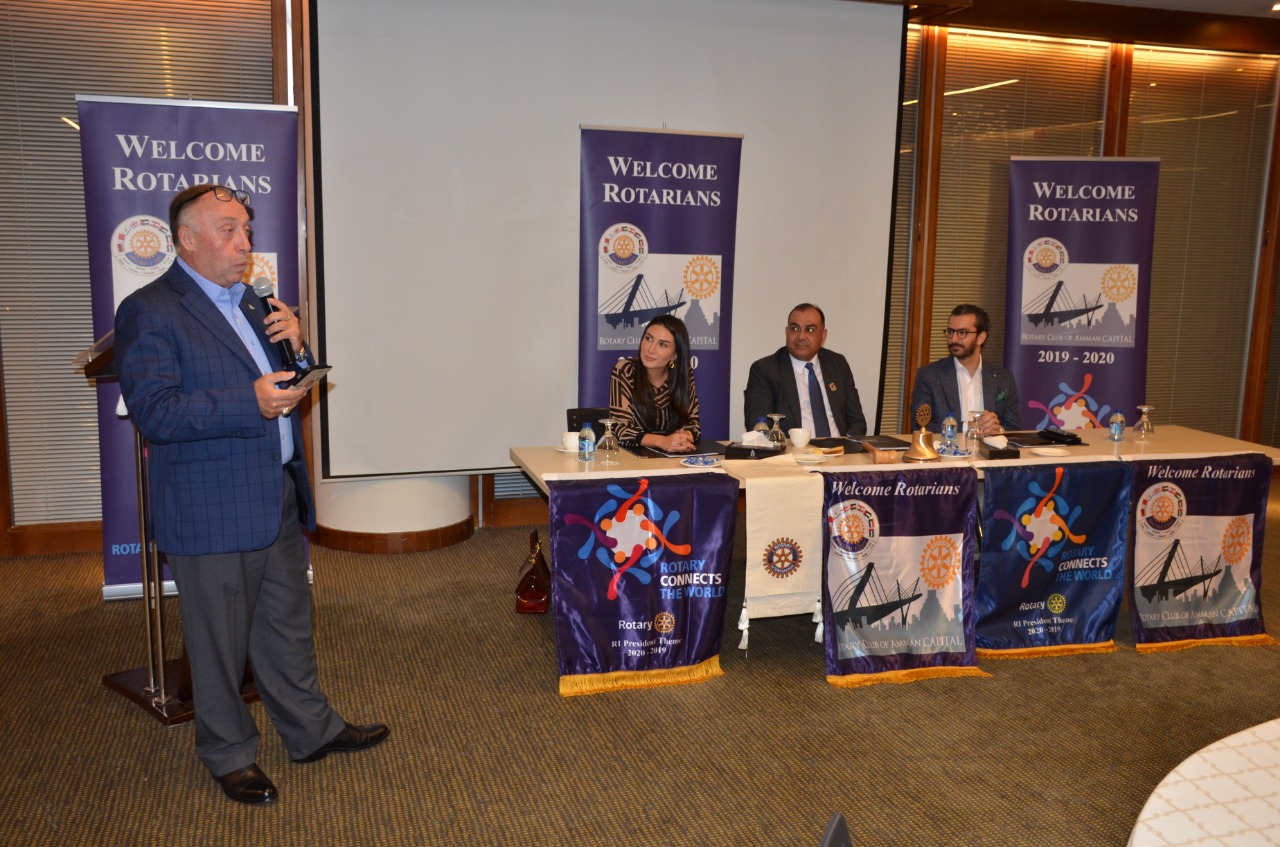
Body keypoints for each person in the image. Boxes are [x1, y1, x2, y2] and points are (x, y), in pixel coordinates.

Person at [114, 184, 388, 805]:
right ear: (186, 239)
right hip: (210, 505)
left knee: (286, 626)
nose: (245, 244)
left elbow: (287, 384)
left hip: (274, 492)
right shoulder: (149, 310)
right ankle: (229, 753)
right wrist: (249, 402)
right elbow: (157, 412)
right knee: (218, 642)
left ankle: (311, 730)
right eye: (229, 231)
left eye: (247, 231)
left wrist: (299, 344)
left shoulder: (254, 301)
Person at [743, 303, 867, 438]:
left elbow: (857, 422)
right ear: (787, 332)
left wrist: (846, 445)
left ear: (823, 335)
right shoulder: (765, 370)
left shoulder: (837, 364)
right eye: (795, 329)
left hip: (839, 448)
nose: (801, 337)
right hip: (793, 450)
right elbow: (759, 429)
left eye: (810, 330)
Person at [910, 303, 1022, 436]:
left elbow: (1014, 428)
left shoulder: (1004, 378)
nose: (953, 339)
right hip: (946, 449)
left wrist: (997, 429)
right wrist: (967, 427)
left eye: (962, 333)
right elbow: (920, 426)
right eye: (950, 332)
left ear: (980, 338)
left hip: (990, 449)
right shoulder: (929, 375)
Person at [609, 314, 701, 453]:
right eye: (648, 339)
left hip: (673, 457)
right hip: (631, 458)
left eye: (662, 344)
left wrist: (685, 436)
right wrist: (662, 442)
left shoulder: (682, 373)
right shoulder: (625, 370)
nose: (651, 349)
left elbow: (693, 423)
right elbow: (620, 430)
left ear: (675, 355)